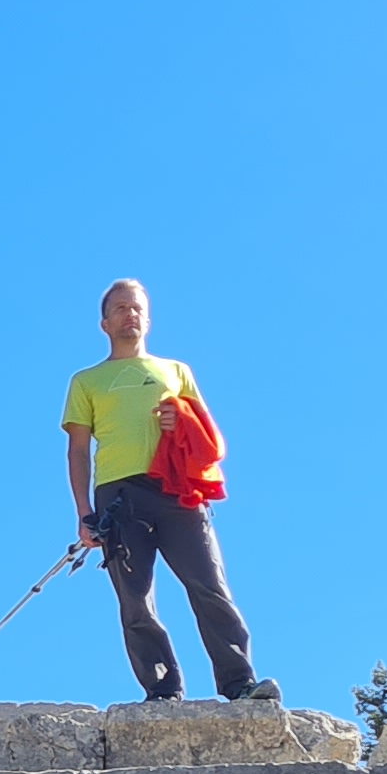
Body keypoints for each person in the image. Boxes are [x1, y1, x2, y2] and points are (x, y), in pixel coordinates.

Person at [61, 276, 255, 701]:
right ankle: (163, 692)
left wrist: (181, 419)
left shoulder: (176, 371)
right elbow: (77, 449)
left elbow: (208, 435)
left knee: (209, 585)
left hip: (177, 490)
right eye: (120, 309)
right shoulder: (86, 381)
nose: (130, 314)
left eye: (137, 308)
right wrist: (83, 512)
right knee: (135, 599)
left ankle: (240, 683)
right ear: (105, 324)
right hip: (117, 496)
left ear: (148, 320)